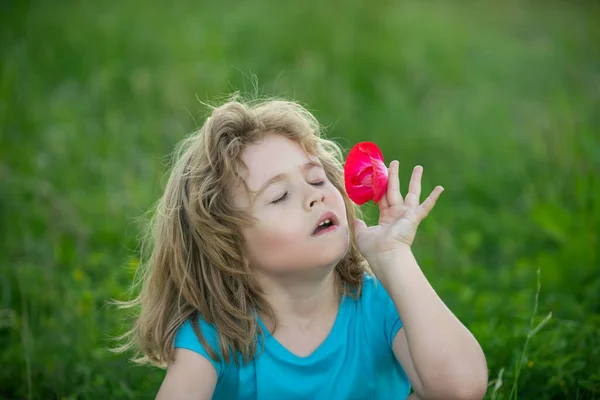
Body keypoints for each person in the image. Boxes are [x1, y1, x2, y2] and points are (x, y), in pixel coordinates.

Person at [117, 96, 489, 400]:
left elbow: (461, 389)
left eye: (317, 178)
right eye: (279, 197)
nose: (315, 195)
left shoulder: (377, 306)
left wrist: (394, 256)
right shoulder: (215, 335)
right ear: (228, 244)